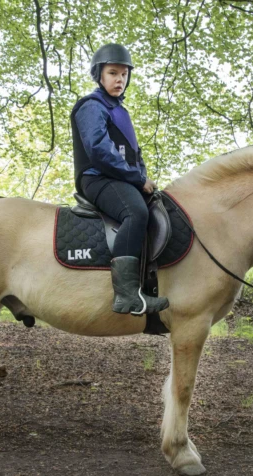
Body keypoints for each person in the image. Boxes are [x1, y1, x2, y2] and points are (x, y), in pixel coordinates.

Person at [70, 43, 168, 316]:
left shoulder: (120, 111)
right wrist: (137, 179)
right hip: (98, 178)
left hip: (119, 178)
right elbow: (100, 150)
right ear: (99, 75)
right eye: (113, 73)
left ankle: (151, 284)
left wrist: (144, 177)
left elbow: (133, 155)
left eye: (124, 75)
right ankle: (127, 296)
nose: (119, 80)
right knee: (135, 213)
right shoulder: (92, 106)